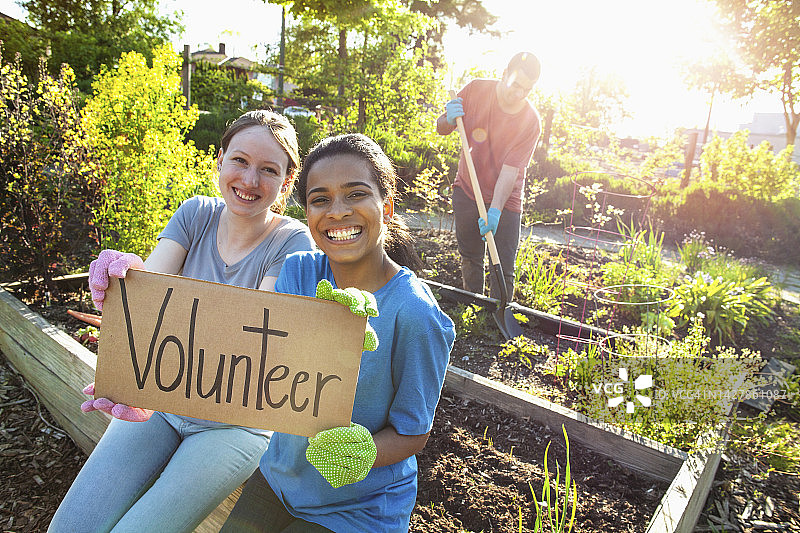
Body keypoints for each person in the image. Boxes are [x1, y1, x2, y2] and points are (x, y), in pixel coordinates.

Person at [48, 110, 315, 533]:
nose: (249, 181)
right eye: (240, 161)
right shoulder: (196, 214)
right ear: (220, 161)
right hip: (162, 402)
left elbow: (248, 334)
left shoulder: (293, 241)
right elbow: (149, 292)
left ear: (286, 182)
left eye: (268, 170)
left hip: (233, 423)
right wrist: (125, 280)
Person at [220, 133, 456, 532]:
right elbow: (264, 361)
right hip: (279, 478)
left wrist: (363, 451)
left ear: (388, 206)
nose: (337, 212)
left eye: (356, 195)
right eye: (321, 199)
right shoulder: (299, 271)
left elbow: (413, 431)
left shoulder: (414, 313)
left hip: (358, 508)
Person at [436, 51, 542, 298]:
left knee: (503, 267)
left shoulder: (530, 121)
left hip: (506, 201)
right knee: (471, 257)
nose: (519, 94)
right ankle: (475, 309)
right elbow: (442, 127)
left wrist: (494, 211)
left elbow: (510, 171)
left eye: (526, 90)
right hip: (467, 191)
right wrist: (448, 118)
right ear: (504, 74)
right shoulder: (475, 90)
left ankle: (499, 315)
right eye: (515, 85)